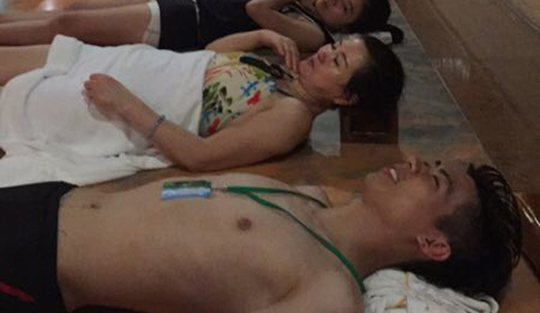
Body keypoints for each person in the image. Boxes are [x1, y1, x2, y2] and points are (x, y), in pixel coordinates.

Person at [0, 157, 521, 313]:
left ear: (433, 244)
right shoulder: (310, 195)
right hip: (44, 199)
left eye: (433, 179)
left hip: (28, 267)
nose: (412, 163)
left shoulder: (329, 299)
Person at [0, 30, 403, 184]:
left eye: (337, 61)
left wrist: (124, 102)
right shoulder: (286, 75)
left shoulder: (291, 117)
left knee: (17, 104)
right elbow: (210, 56)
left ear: (345, 97)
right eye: (335, 46)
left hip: (122, 100)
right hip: (129, 64)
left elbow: (201, 156)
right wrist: (260, 36)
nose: (325, 53)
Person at [0, 0, 401, 52]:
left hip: (184, 26)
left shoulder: (314, 34)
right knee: (74, 10)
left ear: (348, 26)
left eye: (345, 7)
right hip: (185, 2)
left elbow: (256, 9)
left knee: (67, 26)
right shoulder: (310, 7)